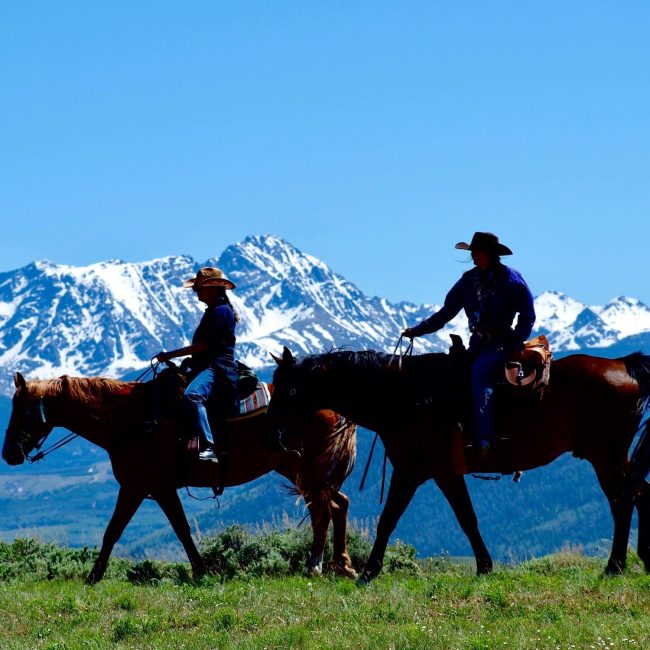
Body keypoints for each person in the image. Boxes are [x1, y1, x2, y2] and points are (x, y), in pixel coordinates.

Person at [403, 232, 536, 455]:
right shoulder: (467, 281)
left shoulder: (511, 279)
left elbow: (527, 315)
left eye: (477, 253)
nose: (473, 257)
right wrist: (418, 331)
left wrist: (516, 341)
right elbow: (446, 312)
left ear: (490, 255)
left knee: (480, 372)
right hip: (477, 344)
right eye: (472, 253)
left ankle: (485, 438)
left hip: (502, 343)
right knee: (449, 375)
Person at [156, 267, 239, 461]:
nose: (197, 292)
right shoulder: (214, 311)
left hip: (217, 367)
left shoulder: (220, 312)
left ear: (214, 288)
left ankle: (208, 445)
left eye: (200, 288)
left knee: (192, 396)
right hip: (208, 364)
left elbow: (204, 346)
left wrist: (171, 355)